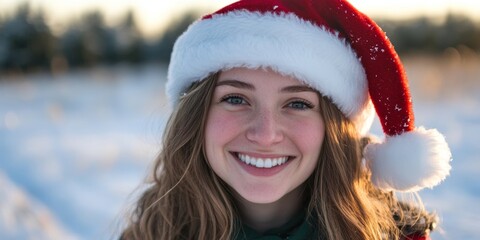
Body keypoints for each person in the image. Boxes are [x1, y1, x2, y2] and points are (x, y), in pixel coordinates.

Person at [120, 0, 452, 239]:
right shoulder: (151, 234)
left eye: (296, 103)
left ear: (334, 129)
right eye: (235, 99)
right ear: (196, 118)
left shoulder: (391, 236)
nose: (265, 134)